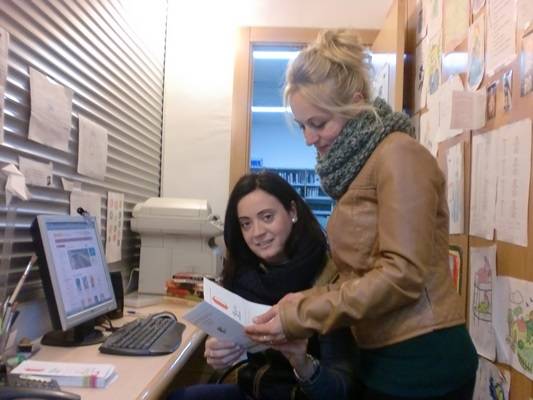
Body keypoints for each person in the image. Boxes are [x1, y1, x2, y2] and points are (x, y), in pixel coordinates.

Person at [246, 29, 478, 400]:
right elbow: (362, 273)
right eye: (303, 125)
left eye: (318, 123)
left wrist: (302, 313)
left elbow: (402, 276)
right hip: (383, 353)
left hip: (422, 358)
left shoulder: (399, 156)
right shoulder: (359, 168)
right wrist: (302, 301)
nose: (308, 138)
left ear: (355, 104)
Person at [168, 171, 358, 400]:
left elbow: (340, 389)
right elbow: (234, 343)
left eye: (267, 217)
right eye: (246, 224)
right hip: (257, 389)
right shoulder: (245, 273)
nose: (257, 233)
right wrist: (219, 347)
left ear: (292, 212)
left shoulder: (330, 278)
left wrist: (302, 363)